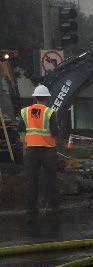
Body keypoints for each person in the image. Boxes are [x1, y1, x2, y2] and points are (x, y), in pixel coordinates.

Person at [17, 84, 60, 213]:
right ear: (47, 98)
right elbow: (55, 132)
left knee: (32, 181)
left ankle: (31, 211)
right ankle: (54, 208)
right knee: (51, 180)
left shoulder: (25, 111)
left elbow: (20, 128)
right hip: (48, 151)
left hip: (31, 151)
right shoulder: (50, 112)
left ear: (35, 97)